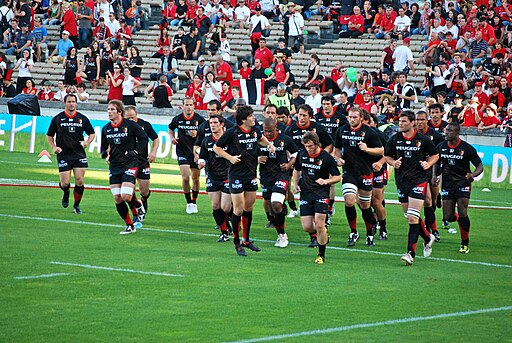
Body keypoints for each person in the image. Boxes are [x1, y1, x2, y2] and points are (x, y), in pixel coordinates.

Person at [374, 111, 439, 266]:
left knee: (412, 217)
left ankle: (410, 253)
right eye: (400, 121)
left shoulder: (422, 140)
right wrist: (393, 163)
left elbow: (435, 155)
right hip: (402, 182)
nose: (400, 124)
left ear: (412, 123)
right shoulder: (394, 139)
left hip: (418, 181)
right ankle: (428, 237)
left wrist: (428, 164)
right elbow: (387, 156)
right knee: (409, 215)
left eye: (403, 121)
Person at [213, 105, 276, 256]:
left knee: (249, 208)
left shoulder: (255, 130)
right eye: (251, 116)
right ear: (243, 119)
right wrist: (230, 157)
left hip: (251, 174)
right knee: (238, 209)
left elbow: (261, 139)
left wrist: (270, 145)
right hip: (236, 175)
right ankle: (236, 242)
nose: (254, 118)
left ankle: (246, 240)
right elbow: (217, 148)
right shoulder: (232, 132)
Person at [334, 107, 383, 247]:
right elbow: (337, 149)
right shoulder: (342, 130)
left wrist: (367, 149)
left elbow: (381, 151)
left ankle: (369, 233)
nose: (352, 119)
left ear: (361, 118)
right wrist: (338, 159)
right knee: (349, 201)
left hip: (366, 173)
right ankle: (353, 232)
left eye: (355, 117)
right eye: (350, 117)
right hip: (349, 171)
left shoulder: (370, 133)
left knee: (365, 205)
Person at [100, 100, 148, 234]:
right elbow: (103, 147)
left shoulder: (131, 125)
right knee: (118, 198)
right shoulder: (106, 128)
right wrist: (104, 154)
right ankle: (129, 225)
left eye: (112, 110)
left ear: (119, 112)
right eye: (108, 109)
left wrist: (136, 151)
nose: (109, 112)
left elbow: (144, 138)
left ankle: (138, 205)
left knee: (126, 196)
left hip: (130, 163)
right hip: (115, 166)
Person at [293, 131, 341, 264]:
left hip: (321, 194)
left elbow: (338, 176)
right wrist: (295, 184)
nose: (308, 149)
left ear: (317, 144)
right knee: (307, 227)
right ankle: (323, 234)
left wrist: (326, 181)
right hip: (306, 193)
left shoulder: (326, 158)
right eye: (306, 146)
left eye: (310, 146)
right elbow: (297, 170)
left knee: (319, 224)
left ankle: (321, 254)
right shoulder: (301, 154)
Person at [437, 122, 483, 253]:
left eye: (450, 131)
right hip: (447, 184)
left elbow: (480, 166)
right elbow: (436, 162)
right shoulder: (441, 147)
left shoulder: (467, 148)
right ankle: (459, 220)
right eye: (446, 130)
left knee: (463, 210)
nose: (446, 133)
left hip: (462, 183)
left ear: (457, 133)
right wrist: (435, 175)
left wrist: (472, 175)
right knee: (448, 216)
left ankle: (465, 243)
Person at [46, 94, 96, 214]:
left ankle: (76, 205)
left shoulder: (82, 118)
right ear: (65, 103)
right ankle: (66, 192)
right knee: (65, 183)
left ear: (76, 103)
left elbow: (92, 133)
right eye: (69, 101)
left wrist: (87, 143)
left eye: (73, 101)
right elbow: (49, 135)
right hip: (63, 154)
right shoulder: (58, 118)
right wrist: (53, 147)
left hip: (79, 154)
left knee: (79, 180)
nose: (71, 104)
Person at [258, 117, 298, 247]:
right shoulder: (259, 140)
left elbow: (296, 153)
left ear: (276, 128)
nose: (268, 134)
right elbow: (249, 155)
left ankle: (282, 235)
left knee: (275, 205)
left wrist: (289, 164)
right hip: (265, 177)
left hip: (281, 175)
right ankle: (280, 231)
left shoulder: (284, 139)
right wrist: (258, 159)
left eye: (270, 131)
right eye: (265, 131)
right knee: (272, 210)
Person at [197, 114, 233, 242]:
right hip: (212, 175)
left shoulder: (229, 138)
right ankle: (224, 232)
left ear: (222, 124)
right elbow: (202, 156)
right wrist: (201, 162)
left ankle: (233, 218)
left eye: (215, 123)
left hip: (228, 175)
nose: (212, 125)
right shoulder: (207, 140)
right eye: (211, 123)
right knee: (215, 205)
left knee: (226, 207)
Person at [169, 98, 206, 214]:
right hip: (182, 151)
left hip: (195, 152)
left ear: (194, 106)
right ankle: (188, 202)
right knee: (185, 177)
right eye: (186, 105)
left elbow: (207, 132)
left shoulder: (199, 119)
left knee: (195, 178)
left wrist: (198, 133)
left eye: (191, 105)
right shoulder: (178, 119)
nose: (189, 107)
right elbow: (170, 128)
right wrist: (173, 138)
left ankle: (194, 201)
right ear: (183, 106)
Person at [124, 105, 160, 224]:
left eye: (132, 118)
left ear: (137, 116)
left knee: (144, 191)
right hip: (128, 162)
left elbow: (155, 138)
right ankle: (136, 213)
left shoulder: (145, 125)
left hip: (143, 161)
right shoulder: (121, 127)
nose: (130, 121)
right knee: (130, 191)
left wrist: (153, 151)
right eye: (128, 118)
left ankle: (143, 201)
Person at [416, 110, 444, 241]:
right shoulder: (412, 134)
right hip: (416, 172)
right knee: (426, 201)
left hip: (432, 170)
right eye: (417, 120)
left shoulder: (436, 135)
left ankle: (433, 228)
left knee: (432, 201)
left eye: (422, 120)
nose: (419, 122)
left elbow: (440, 156)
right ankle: (430, 229)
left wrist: (437, 174)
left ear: (427, 120)